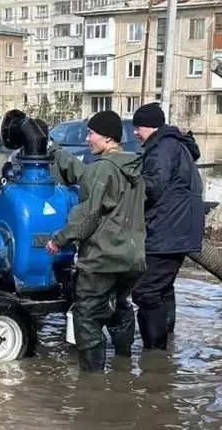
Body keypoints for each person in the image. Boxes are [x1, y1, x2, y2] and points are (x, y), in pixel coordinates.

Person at [46, 109, 146, 373]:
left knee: (86, 315)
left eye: (91, 133)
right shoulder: (133, 167)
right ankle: (124, 366)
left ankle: (92, 380)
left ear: (107, 139)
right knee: (119, 308)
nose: (87, 138)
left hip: (103, 258)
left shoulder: (103, 169)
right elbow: (89, 177)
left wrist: (60, 239)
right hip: (132, 259)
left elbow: (88, 215)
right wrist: (57, 153)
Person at [129, 102, 205, 350]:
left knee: (145, 292)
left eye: (137, 128)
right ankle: (167, 345)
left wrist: (127, 193)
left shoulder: (162, 148)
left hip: (167, 231)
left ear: (148, 127)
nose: (134, 133)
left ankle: (154, 353)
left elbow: (152, 185)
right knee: (162, 289)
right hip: (182, 229)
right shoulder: (177, 146)